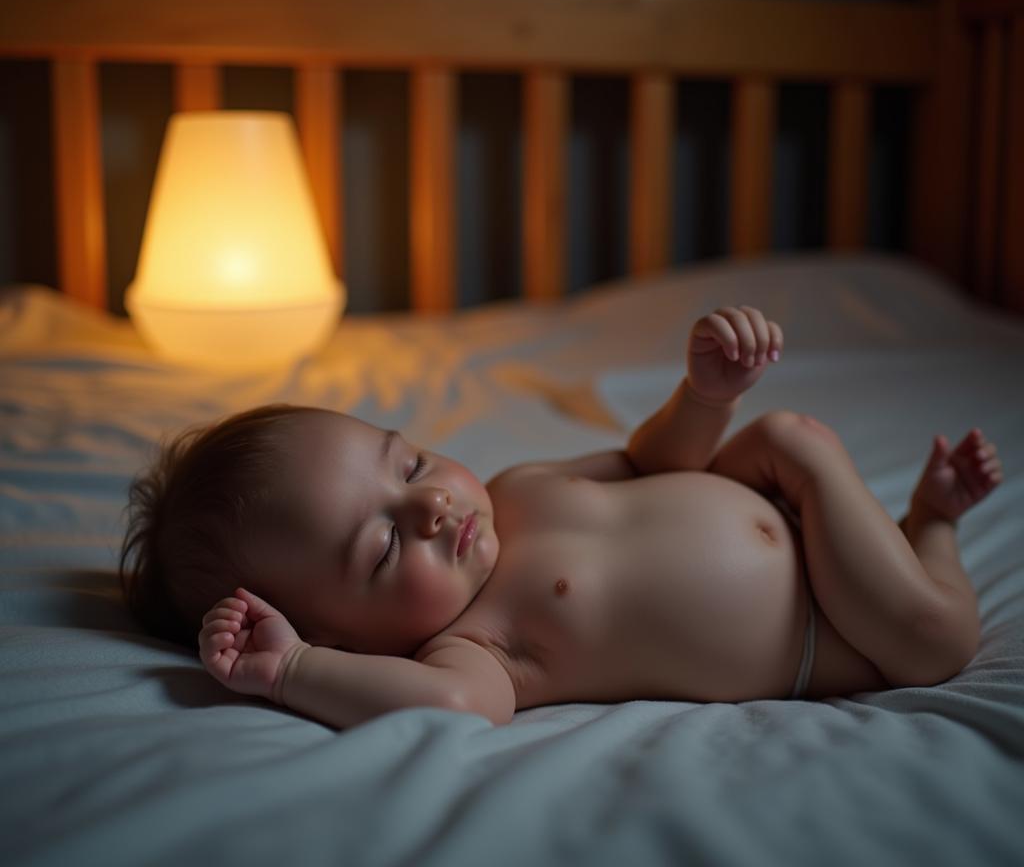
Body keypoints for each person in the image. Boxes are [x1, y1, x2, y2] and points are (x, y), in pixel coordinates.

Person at [120, 306, 1002, 728]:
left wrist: (702, 397)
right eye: (386, 544)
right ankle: (932, 523)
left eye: (412, 461)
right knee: (938, 640)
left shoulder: (518, 486)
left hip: (786, 497)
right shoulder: (474, 646)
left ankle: (918, 523)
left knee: (780, 433)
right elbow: (453, 706)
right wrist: (294, 671)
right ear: (350, 641)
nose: (432, 505)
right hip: (835, 632)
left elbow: (652, 464)